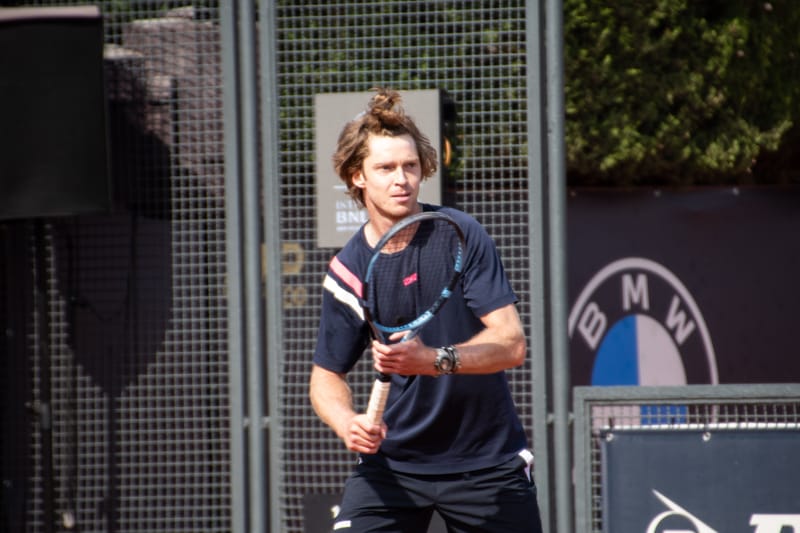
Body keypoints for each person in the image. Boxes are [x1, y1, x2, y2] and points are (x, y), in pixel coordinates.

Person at [310, 87, 543, 533]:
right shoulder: (347, 271)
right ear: (357, 177)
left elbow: (511, 344)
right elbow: (325, 376)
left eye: (411, 166)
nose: (402, 179)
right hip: (392, 468)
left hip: (487, 463)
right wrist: (348, 423)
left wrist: (431, 361)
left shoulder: (461, 234)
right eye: (386, 168)